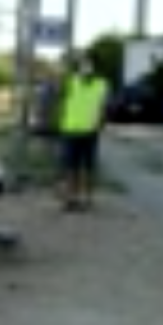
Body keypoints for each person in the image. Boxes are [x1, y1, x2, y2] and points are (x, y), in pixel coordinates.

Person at [57, 56, 111, 211]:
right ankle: (70, 198)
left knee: (88, 167)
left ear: (94, 68)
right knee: (71, 167)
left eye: (89, 65)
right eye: (82, 65)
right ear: (78, 68)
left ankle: (87, 198)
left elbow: (104, 105)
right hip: (70, 130)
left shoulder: (102, 84)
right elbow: (61, 98)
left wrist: (101, 123)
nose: (86, 68)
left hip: (90, 132)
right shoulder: (70, 81)